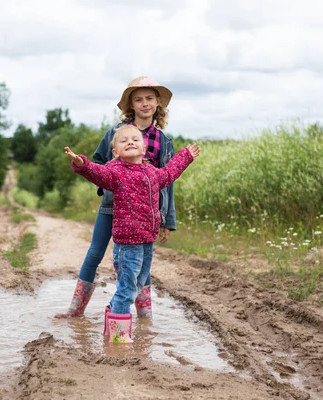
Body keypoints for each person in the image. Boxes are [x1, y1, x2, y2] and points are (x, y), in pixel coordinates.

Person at [55, 76, 178, 319]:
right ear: (131, 104)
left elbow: (168, 181)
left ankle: (144, 316)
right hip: (113, 206)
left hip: (145, 214)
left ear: (157, 104)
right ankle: (75, 309)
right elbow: (97, 164)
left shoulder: (163, 142)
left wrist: (167, 220)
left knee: (141, 260)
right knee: (94, 253)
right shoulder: (115, 132)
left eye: (149, 98)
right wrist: (113, 184)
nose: (145, 103)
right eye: (138, 99)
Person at [64, 124, 200, 342]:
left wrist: (185, 156)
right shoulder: (115, 172)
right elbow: (96, 173)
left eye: (135, 140)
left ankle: (113, 313)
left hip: (147, 241)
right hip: (128, 244)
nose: (130, 142)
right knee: (127, 288)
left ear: (144, 149)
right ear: (116, 152)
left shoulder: (151, 172)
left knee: (137, 285)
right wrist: (81, 163)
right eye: (124, 140)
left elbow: (169, 173)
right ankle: (118, 338)